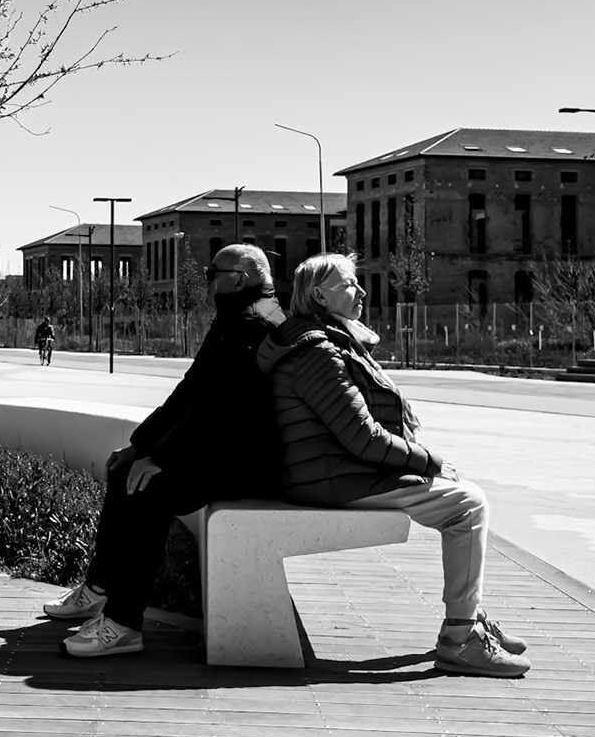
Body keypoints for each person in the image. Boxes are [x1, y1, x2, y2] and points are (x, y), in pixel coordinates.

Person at [257, 254, 529, 677]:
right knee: (469, 505)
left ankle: (469, 618)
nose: (362, 291)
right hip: (338, 478)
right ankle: (460, 638)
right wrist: (429, 462)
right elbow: (361, 437)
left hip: (336, 472)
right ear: (319, 295)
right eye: (350, 284)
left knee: (466, 498)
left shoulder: (322, 341)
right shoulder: (318, 353)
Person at [42, 243, 286, 657]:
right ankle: (100, 590)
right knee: (125, 471)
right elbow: (190, 391)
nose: (208, 279)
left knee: (151, 492)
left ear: (240, 279)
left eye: (214, 273)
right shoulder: (235, 318)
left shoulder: (254, 324)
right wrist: (140, 446)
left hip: (247, 463)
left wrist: (162, 458)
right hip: (226, 450)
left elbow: (219, 409)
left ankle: (123, 624)